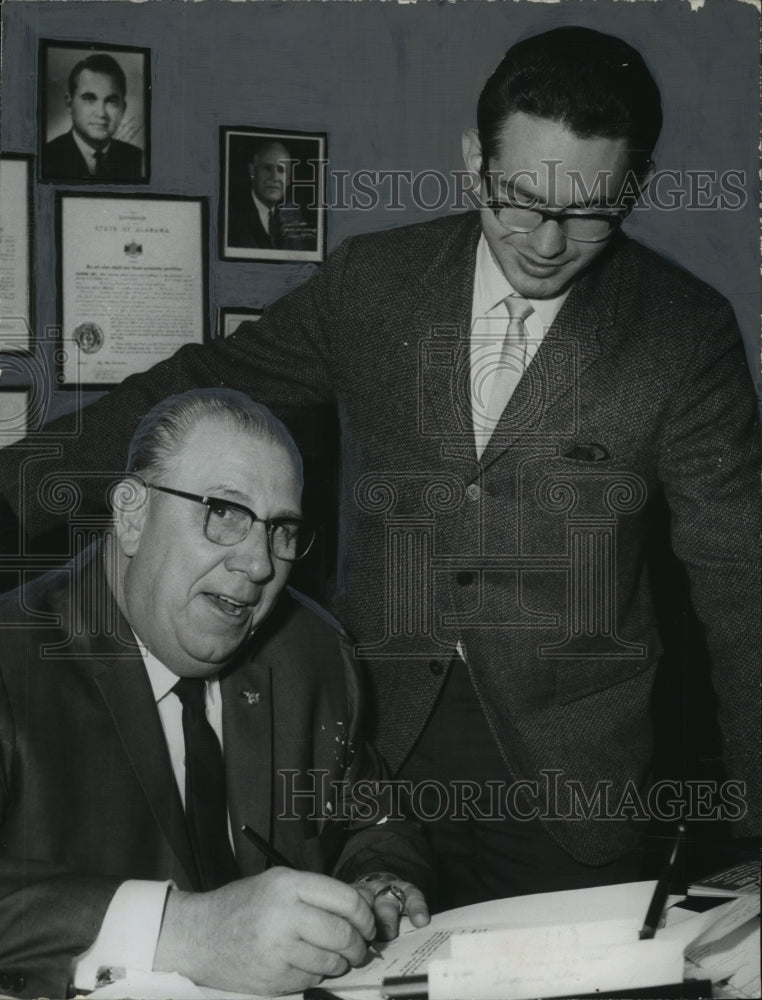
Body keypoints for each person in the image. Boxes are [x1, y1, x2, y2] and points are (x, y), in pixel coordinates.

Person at [1, 26, 758, 909]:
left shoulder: (684, 333)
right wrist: (14, 491)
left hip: (573, 791)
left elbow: (741, 581)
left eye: (590, 211)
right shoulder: (374, 282)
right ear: (474, 159)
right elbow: (202, 381)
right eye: (519, 199)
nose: (547, 241)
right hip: (375, 760)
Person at [0, 389, 431, 999]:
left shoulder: (310, 651)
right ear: (132, 515)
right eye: (224, 511)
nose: (258, 565)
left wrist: (379, 879)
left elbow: (372, 814)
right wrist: (188, 932)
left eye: (281, 530)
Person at [42, 52, 144, 181]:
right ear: (69, 104)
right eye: (89, 99)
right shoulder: (45, 157)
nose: (101, 113)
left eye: (111, 101)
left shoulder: (138, 160)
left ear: (123, 108)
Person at [227, 137, 315, 250]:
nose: (274, 177)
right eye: (267, 168)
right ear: (252, 171)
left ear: (288, 179)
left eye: (281, 170)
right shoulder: (230, 218)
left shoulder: (292, 219)